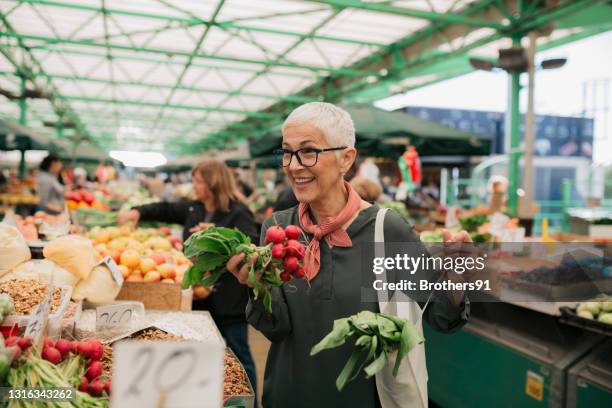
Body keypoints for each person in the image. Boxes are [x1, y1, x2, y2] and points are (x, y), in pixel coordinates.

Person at [227, 102, 471, 408]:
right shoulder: (277, 228)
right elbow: (277, 327)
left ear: (346, 158)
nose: (293, 165)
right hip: (289, 394)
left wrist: (456, 276)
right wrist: (257, 286)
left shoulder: (386, 230)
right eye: (287, 152)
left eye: (308, 151)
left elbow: (442, 317)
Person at [117, 160, 258, 391]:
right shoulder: (195, 208)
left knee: (238, 354)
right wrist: (138, 211)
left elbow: (252, 245)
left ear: (213, 183)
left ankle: (250, 401)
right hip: (201, 298)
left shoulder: (238, 213)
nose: (194, 185)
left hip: (230, 302)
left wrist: (214, 235)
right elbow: (166, 209)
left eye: (198, 181)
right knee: (210, 354)